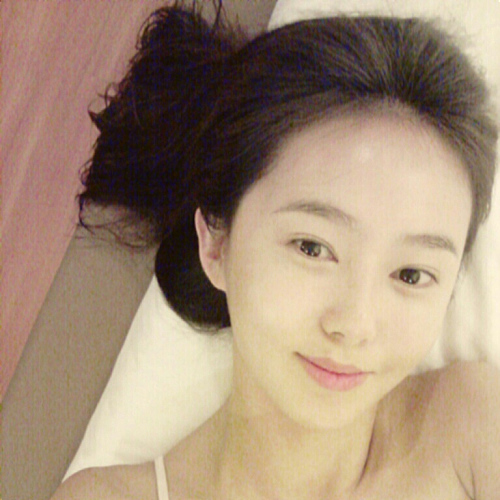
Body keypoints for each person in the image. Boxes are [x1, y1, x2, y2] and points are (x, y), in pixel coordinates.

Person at [51, 1, 499, 499]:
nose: (353, 325)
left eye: (411, 275)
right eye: (312, 247)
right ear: (217, 241)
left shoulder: (472, 427)